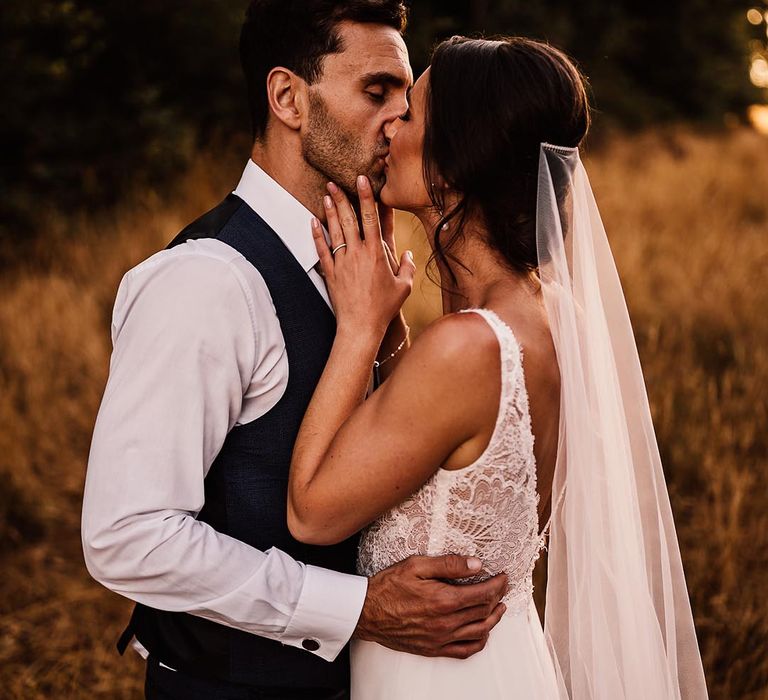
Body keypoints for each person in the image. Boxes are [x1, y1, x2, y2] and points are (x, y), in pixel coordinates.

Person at [81, 5, 508, 699]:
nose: (401, 119)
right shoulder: (208, 280)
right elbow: (128, 536)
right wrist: (357, 608)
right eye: (377, 92)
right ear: (287, 98)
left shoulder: (362, 263)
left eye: (406, 95)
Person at [287, 36, 710, 698]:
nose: (390, 123)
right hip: (505, 662)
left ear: (455, 161)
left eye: (412, 113)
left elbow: (312, 513)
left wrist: (358, 329)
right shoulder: (556, 317)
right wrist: (395, 338)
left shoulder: (467, 348)